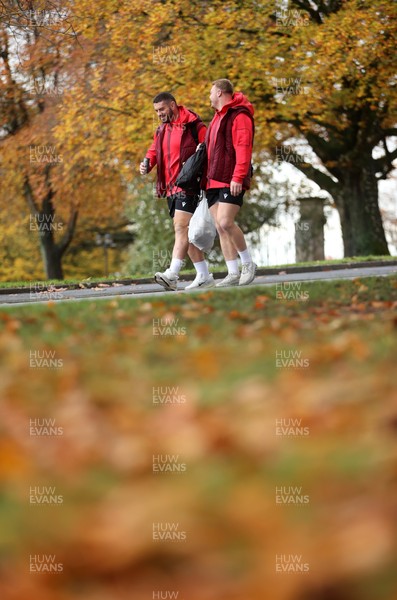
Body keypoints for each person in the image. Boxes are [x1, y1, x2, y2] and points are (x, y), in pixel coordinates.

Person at [140, 92, 214, 291]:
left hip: (188, 184)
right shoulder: (162, 129)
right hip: (169, 188)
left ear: (172, 105)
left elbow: (209, 147)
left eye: (162, 109)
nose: (159, 114)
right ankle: (204, 275)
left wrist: (205, 178)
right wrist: (147, 163)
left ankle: (172, 274)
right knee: (186, 233)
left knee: (181, 228)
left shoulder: (192, 125)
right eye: (156, 111)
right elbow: (154, 150)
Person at [204, 79, 257, 287]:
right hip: (212, 180)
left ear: (219, 92)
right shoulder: (217, 118)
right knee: (220, 227)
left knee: (226, 222)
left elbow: (244, 148)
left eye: (210, 92)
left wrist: (238, 176)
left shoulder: (239, 115)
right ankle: (233, 272)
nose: (208, 97)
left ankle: (248, 263)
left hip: (230, 178)